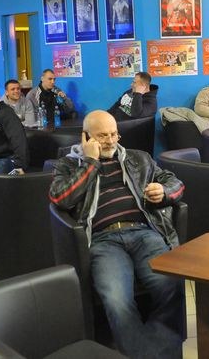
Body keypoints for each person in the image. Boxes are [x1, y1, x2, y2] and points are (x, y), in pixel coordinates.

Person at [49, 110, 184, 359]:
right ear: (85, 137)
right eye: (102, 136)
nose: (111, 141)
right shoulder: (68, 164)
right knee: (116, 300)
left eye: (114, 134)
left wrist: (164, 191)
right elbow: (61, 198)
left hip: (145, 232)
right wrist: (90, 163)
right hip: (103, 241)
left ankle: (156, 353)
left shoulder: (139, 158)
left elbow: (176, 184)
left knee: (172, 286)